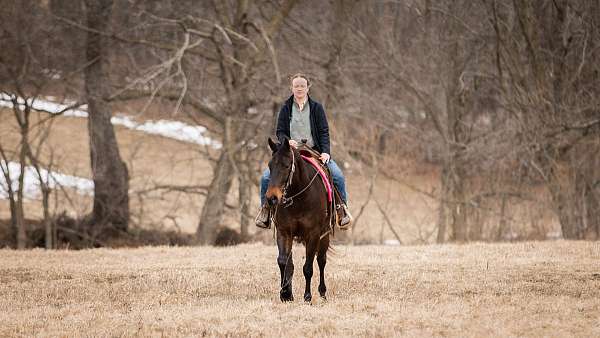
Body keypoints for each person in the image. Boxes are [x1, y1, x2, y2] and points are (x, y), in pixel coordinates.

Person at [255, 73, 352, 230]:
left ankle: (341, 210)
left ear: (308, 87)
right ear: (291, 88)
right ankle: (265, 211)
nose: (299, 88)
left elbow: (324, 132)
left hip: (314, 151)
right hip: (290, 151)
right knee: (266, 177)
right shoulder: (286, 108)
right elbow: (279, 131)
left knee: (338, 176)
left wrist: (326, 152)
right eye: (296, 86)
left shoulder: (316, 108)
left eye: (302, 85)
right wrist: (287, 140)